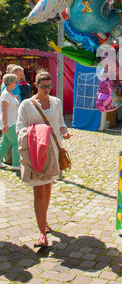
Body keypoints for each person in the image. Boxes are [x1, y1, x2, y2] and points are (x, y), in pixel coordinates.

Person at [16, 72, 72, 248]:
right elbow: (19, 128)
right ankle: (41, 234)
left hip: (54, 153)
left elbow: (61, 123)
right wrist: (37, 133)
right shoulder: (26, 105)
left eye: (49, 86)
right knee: (39, 191)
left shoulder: (56, 102)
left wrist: (64, 132)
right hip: (36, 154)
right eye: (43, 86)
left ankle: (44, 223)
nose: (47, 89)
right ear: (36, 85)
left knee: (48, 188)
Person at [0, 74, 21, 170]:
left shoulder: (10, 93)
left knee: (5, 143)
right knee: (15, 143)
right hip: (9, 123)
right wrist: (5, 124)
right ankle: (16, 164)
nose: (16, 83)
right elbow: (3, 111)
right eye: (15, 81)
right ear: (10, 82)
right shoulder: (5, 95)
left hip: (12, 122)